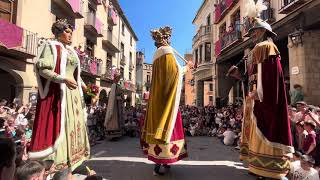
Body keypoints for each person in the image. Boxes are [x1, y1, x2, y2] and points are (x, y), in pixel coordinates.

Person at [229, 1, 294, 178]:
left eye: (256, 31)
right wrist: (240, 77)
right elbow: (254, 78)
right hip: (256, 98)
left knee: (264, 130)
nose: (253, 34)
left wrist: (259, 94)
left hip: (263, 100)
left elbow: (268, 77)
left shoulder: (265, 47)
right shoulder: (258, 48)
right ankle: (259, 167)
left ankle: (268, 170)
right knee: (255, 135)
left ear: (265, 31)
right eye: (251, 32)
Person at [28, 19, 90, 179]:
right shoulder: (51, 47)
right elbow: (42, 69)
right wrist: (62, 79)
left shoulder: (71, 51)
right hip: (61, 94)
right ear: (58, 32)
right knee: (63, 126)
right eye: (67, 32)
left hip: (74, 95)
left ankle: (70, 166)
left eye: (71, 32)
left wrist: (83, 86)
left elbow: (75, 73)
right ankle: (61, 167)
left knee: (73, 127)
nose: (70, 35)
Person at [140, 26, 193, 176]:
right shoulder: (167, 51)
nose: (169, 39)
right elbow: (174, 73)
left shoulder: (156, 54)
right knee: (166, 130)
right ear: (166, 39)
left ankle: (163, 162)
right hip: (166, 102)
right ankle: (159, 165)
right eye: (168, 37)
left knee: (160, 129)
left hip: (159, 99)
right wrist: (187, 67)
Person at [104, 69, 124, 138]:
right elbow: (112, 96)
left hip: (119, 104)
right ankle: (112, 131)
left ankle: (119, 131)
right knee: (114, 116)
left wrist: (121, 98)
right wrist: (117, 97)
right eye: (118, 78)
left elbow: (120, 93)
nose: (119, 79)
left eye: (119, 78)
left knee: (119, 116)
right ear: (115, 78)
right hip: (114, 104)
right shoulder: (113, 85)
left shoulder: (118, 85)